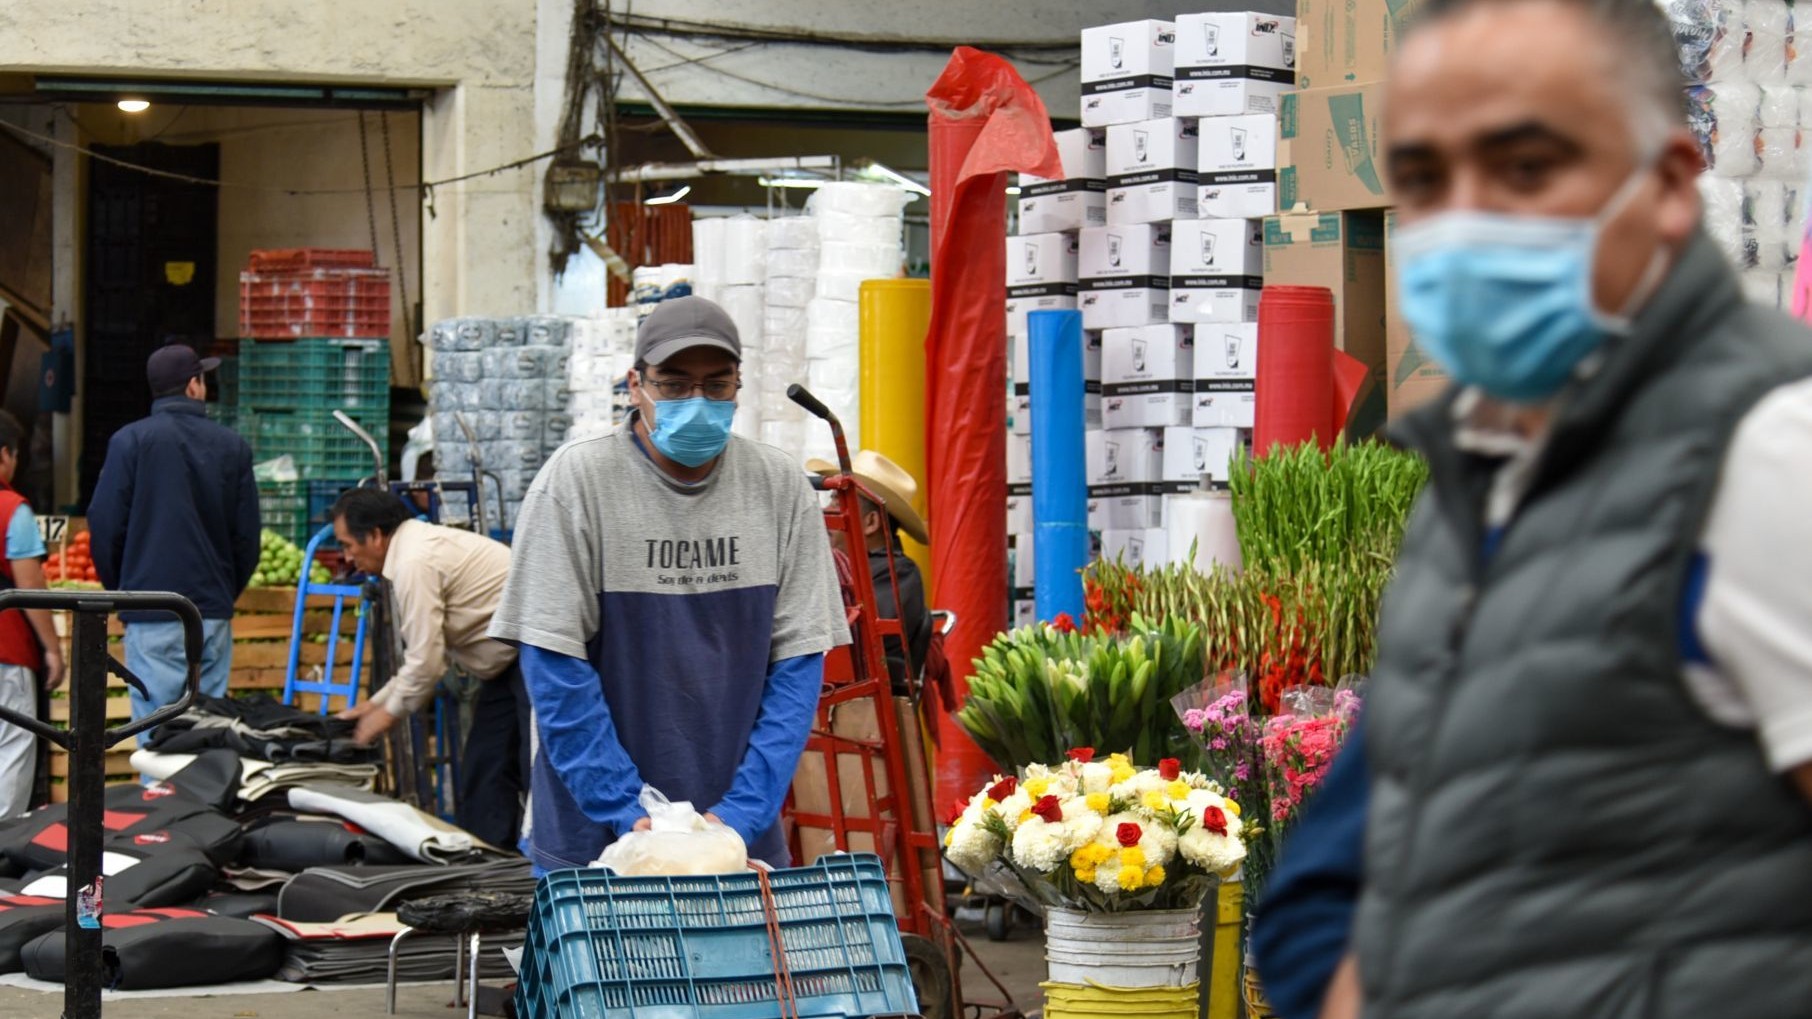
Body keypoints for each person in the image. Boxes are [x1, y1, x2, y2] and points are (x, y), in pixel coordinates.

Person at [1267, 0, 1812, 1016]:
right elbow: (1368, 880)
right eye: (1426, 179)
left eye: (1526, 168)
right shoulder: (1479, 477)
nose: (1467, 220)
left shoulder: (1767, 453)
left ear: (1669, 186)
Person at [489, 296, 848, 873]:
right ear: (636, 385)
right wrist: (631, 812)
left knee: (741, 965)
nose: (697, 402)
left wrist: (741, 815)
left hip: (734, 837)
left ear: (739, 385)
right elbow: (554, 669)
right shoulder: (576, 483)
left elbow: (797, 668)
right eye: (675, 385)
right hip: (598, 841)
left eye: (716, 384)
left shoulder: (779, 488)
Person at [328, 488, 525, 849]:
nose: (348, 558)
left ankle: (535, 866)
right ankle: (494, 865)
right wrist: (373, 705)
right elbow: (422, 658)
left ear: (374, 535)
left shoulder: (412, 562)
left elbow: (427, 663)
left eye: (347, 545)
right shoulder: (413, 549)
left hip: (534, 656)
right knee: (485, 771)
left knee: (528, 771)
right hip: (509, 662)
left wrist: (384, 715)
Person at [89, 345, 258, 733]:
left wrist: (122, 589)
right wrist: (223, 591)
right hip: (211, 613)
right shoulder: (233, 446)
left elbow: (104, 524)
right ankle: (200, 796)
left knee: (155, 732)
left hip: (150, 608)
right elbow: (247, 538)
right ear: (193, 385)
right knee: (208, 733)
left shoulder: (129, 442)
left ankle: (160, 796)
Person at [807, 450, 932, 689]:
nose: (826, 511)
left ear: (871, 522)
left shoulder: (899, 573)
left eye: (837, 500)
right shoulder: (837, 564)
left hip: (861, 703)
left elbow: (859, 638)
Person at [0, 412, 63, 818]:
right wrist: (53, 650)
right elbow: (29, 588)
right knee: (11, 745)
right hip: (6, 652)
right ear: (4, 455)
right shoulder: (11, 509)